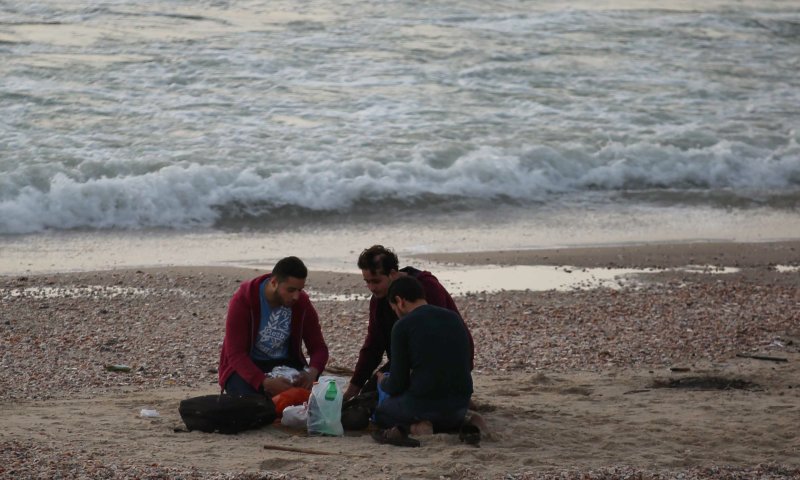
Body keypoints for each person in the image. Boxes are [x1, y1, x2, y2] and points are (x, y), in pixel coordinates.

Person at [343, 245, 474, 402]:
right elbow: (373, 346)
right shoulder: (378, 301)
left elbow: (441, 336)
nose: (371, 288)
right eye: (367, 282)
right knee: (366, 396)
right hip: (406, 362)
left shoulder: (427, 287)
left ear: (392, 273)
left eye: (376, 281)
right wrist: (353, 388)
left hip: (444, 360)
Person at [371, 276, 473, 444]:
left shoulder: (403, 326)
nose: (397, 314)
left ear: (399, 301)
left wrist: (383, 381)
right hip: (459, 407)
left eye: (394, 309)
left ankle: (416, 427)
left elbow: (397, 383)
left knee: (381, 413)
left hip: (425, 406)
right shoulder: (453, 317)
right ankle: (465, 420)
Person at [218, 256, 328, 395]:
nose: (296, 296)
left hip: (285, 363)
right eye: (291, 290)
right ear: (274, 282)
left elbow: (319, 348)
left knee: (311, 400)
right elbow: (235, 354)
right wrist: (264, 382)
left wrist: (311, 373)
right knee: (252, 405)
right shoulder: (244, 299)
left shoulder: (301, 303)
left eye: (300, 290)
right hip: (248, 365)